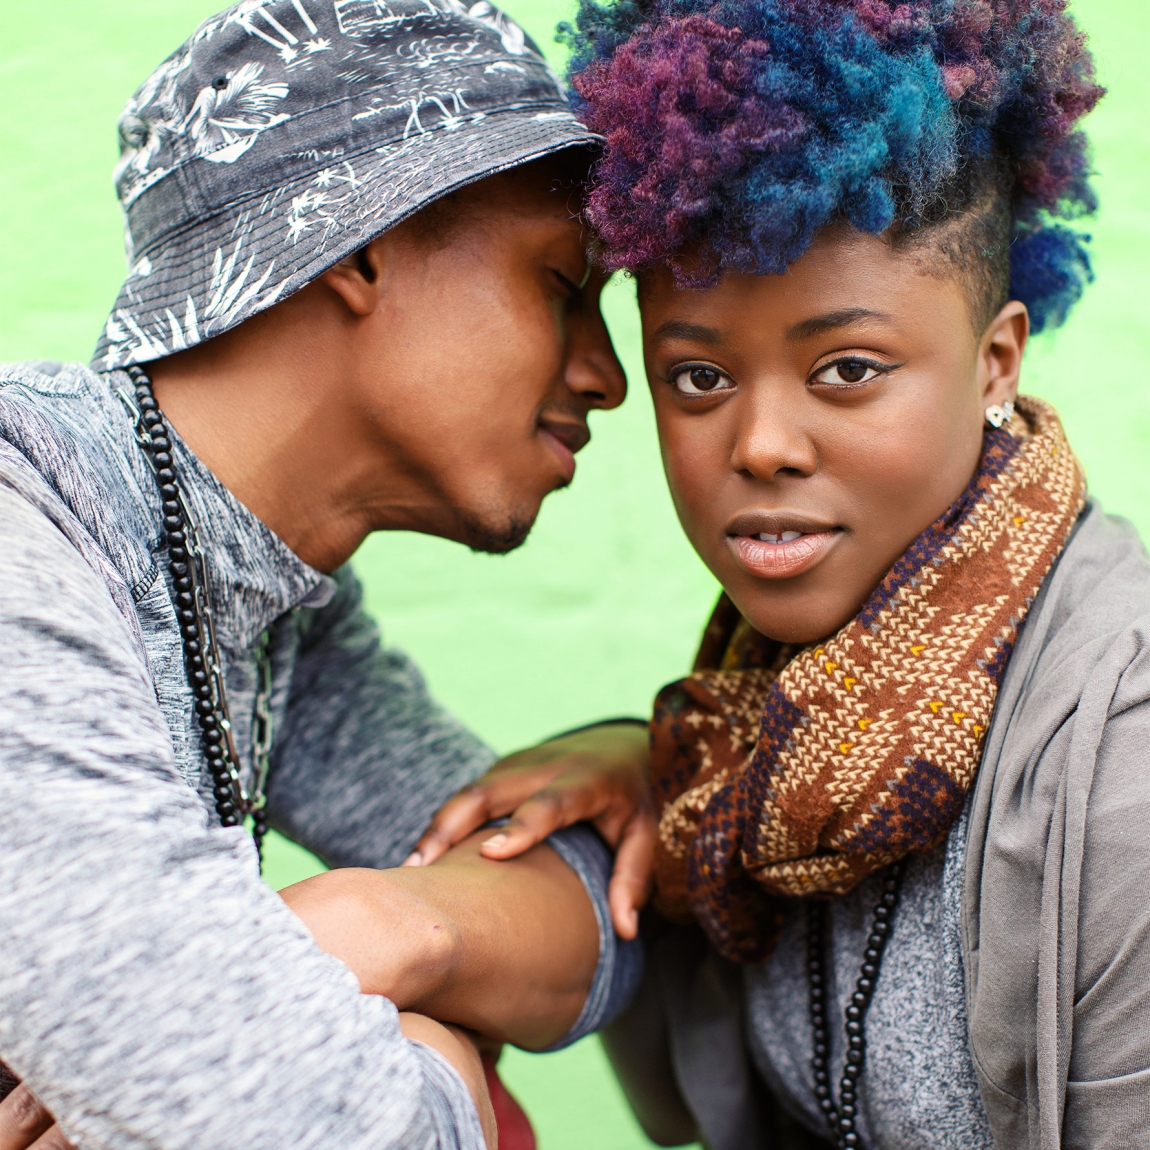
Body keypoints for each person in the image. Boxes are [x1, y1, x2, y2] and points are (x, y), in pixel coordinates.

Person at [413, 1, 1150, 1147]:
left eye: (846, 369)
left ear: (994, 361)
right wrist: (649, 766)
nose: (759, 445)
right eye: (698, 378)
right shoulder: (754, 733)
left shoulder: (1118, 756)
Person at [0, 1, 653, 1147]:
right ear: (361, 245)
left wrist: (382, 922)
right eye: (562, 283)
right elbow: (300, 1122)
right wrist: (448, 1064)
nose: (608, 375)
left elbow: (593, 923)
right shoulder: (31, 529)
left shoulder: (277, 598)